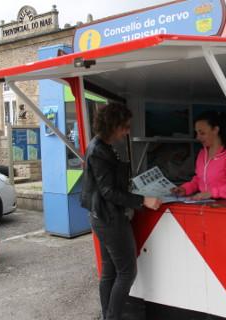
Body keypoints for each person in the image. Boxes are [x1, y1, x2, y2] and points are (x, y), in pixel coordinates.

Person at [80, 103, 161, 320]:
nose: (127, 131)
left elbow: (106, 187)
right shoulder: (99, 150)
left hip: (101, 216)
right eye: (125, 127)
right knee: (127, 272)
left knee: (109, 272)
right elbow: (108, 192)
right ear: (113, 125)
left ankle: (108, 316)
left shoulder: (99, 146)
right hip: (109, 218)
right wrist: (142, 199)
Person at [171, 111, 226, 200]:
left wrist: (211, 193)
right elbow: (198, 180)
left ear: (215, 130)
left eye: (202, 133)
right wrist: (184, 189)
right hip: (205, 205)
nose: (198, 137)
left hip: (225, 206)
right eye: (197, 133)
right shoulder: (202, 153)